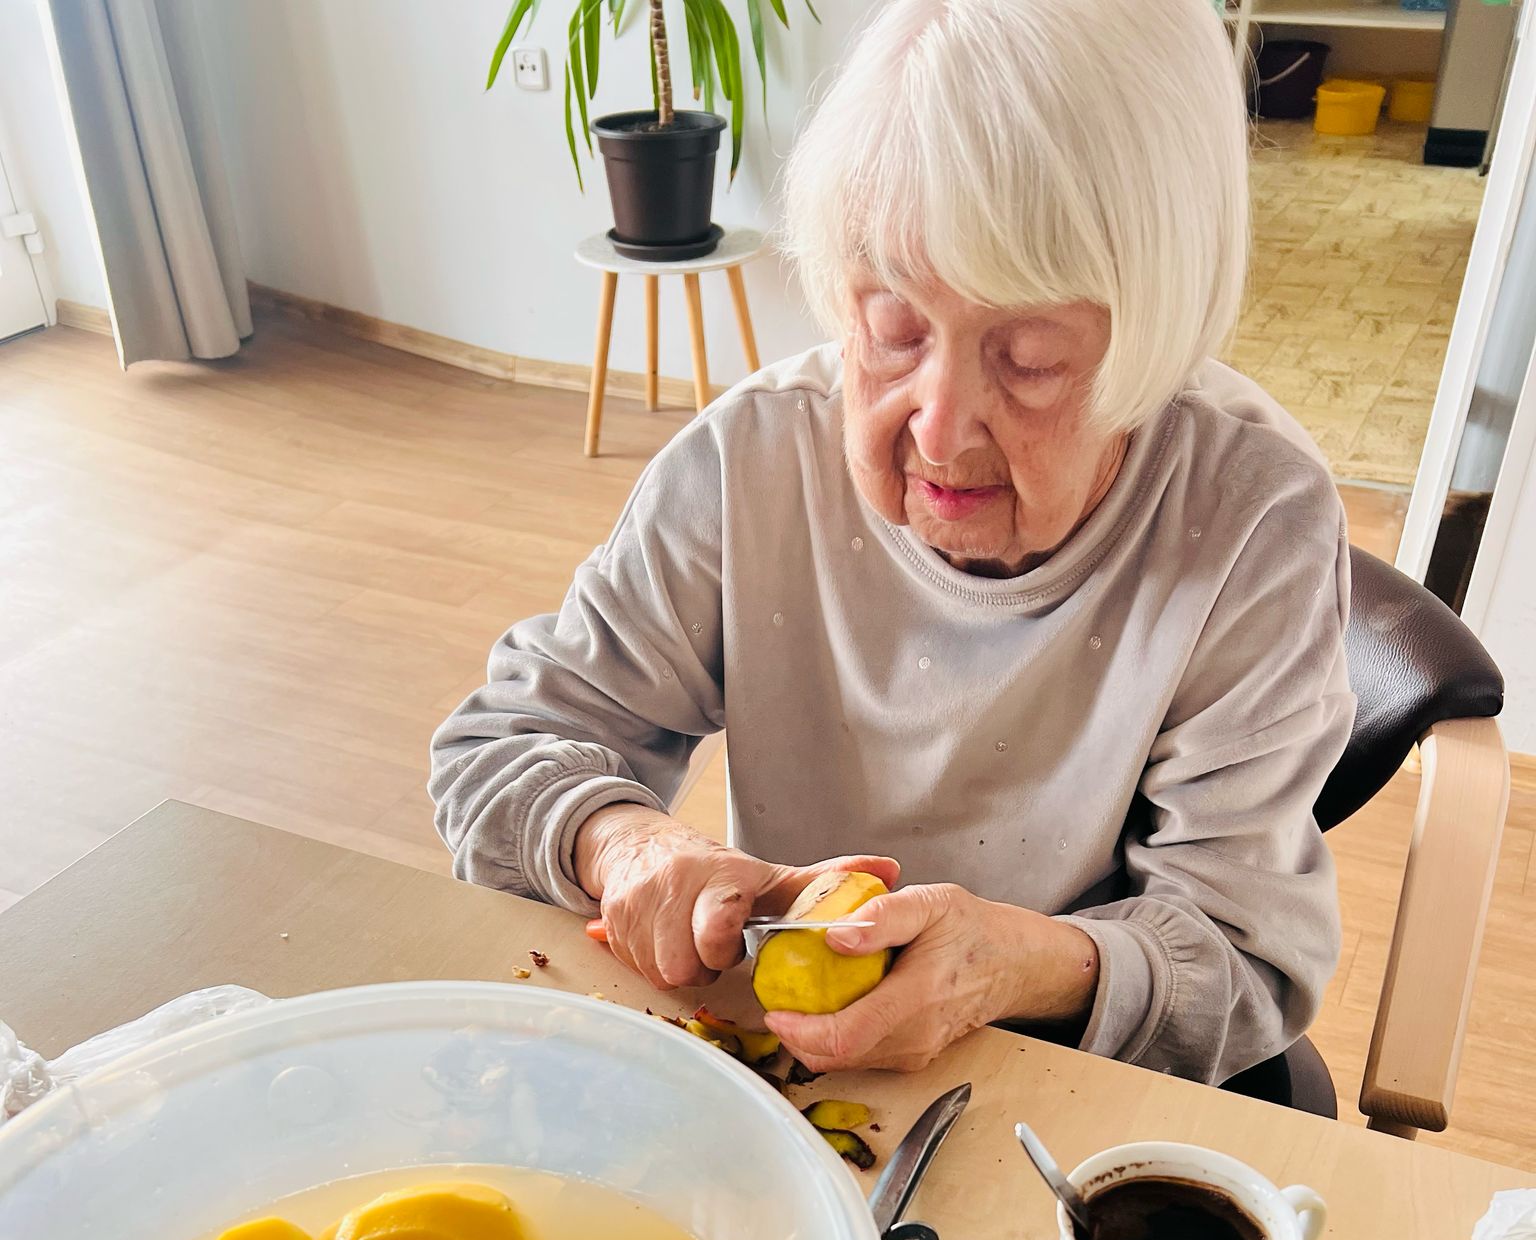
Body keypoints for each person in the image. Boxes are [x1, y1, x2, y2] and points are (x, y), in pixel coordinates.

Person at [430, 0, 1353, 1082]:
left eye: (1031, 358)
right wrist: (628, 842)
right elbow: (503, 745)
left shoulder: (1250, 524)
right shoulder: (752, 461)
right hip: (798, 1064)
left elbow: (1244, 956)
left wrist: (1019, 968)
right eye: (893, 327)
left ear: (1153, 343)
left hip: (1065, 1079)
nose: (940, 430)